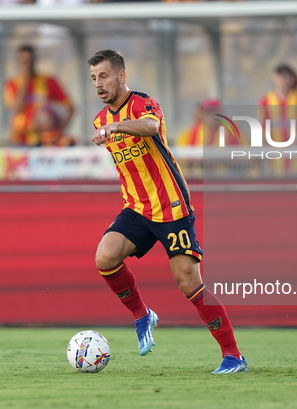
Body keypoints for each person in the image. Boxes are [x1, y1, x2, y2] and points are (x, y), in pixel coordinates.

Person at [88, 49, 247, 374]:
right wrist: (110, 128)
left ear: (121, 75)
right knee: (105, 257)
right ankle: (142, 315)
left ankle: (233, 355)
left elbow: (149, 126)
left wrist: (117, 127)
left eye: (103, 76)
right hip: (136, 207)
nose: (98, 84)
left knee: (188, 281)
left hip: (171, 205)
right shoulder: (99, 121)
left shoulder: (143, 104)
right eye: (93, 79)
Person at [4, 44, 74, 146]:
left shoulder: (48, 81)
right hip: (21, 140)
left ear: (34, 61)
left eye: (29, 60)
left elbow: (70, 107)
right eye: (23, 61)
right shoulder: (12, 84)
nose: (26, 64)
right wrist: (25, 81)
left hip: (44, 140)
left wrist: (59, 131)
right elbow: (16, 109)